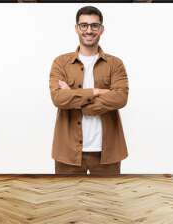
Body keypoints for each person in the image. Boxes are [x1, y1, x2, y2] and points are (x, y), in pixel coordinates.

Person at [49, 6, 129, 175]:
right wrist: (96, 91)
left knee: (108, 200)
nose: (89, 30)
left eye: (94, 25)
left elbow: (121, 97)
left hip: (107, 153)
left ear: (101, 29)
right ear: (77, 28)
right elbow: (58, 99)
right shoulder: (60, 63)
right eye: (84, 25)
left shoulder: (115, 64)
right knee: (65, 201)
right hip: (68, 152)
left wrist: (76, 99)